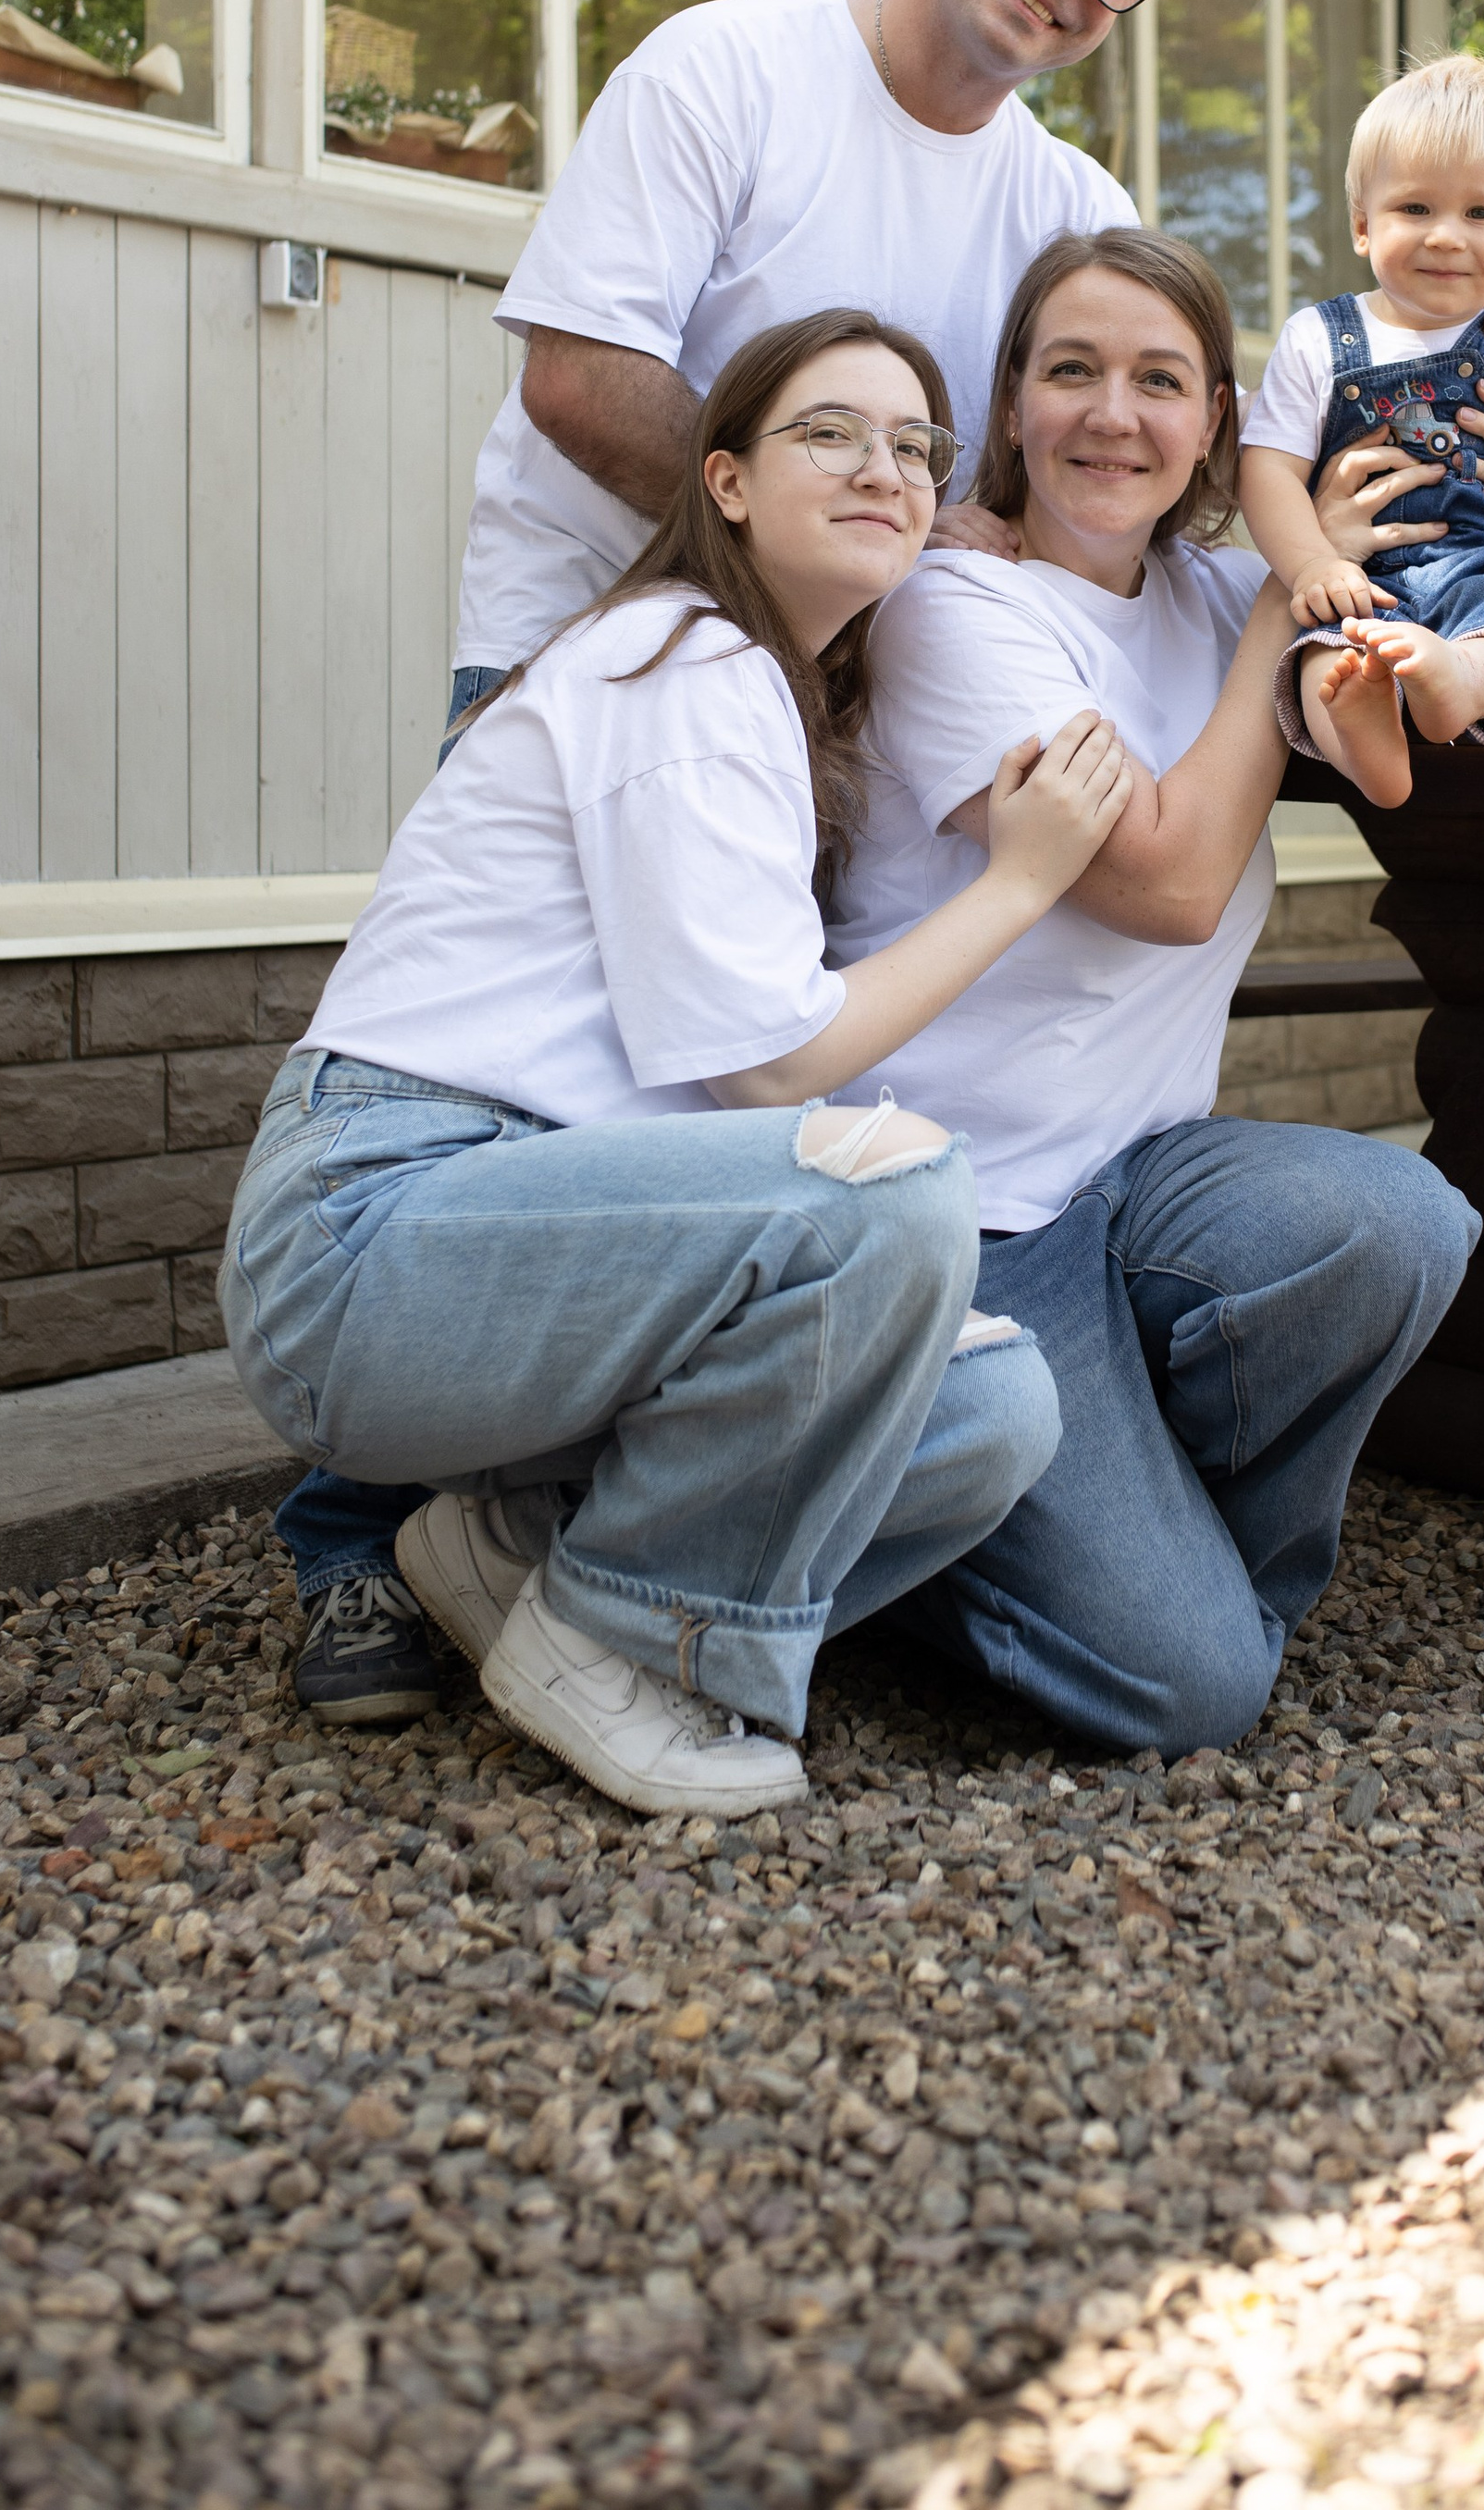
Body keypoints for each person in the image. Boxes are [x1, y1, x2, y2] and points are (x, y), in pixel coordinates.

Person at [280, 0, 1484, 1719]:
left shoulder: (1052, 200)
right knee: (557, 1100)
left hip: (841, 698)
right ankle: (374, 1541)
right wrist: (847, 557)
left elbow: (1178, 399)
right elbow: (576, 375)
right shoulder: (733, 69)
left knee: (746, 1107)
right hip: (614, 647)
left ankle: (852, 1499)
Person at [218, 313, 1136, 1813]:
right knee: (896, 1188)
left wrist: (901, 1317)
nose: (885, 469)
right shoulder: (679, 661)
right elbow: (778, 1077)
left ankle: (521, 1560)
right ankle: (605, 1648)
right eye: (829, 433)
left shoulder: (765, 696)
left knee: (995, 1411)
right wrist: (1022, 883)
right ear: (722, 482)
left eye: (914, 447)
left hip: (545, 1240)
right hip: (375, 1229)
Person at [825, 228, 1480, 1755]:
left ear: (1216, 425)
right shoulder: (951, 611)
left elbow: (1404, 722)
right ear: (1010, 406)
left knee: (1406, 1222)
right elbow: (1171, 885)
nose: (1112, 415)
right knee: (1190, 1692)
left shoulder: (1206, 590)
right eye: (1072, 372)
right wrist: (1282, 608)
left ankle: (1132, 1557)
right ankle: (896, 1546)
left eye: (1158, 382)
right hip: (956, 1211)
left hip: (1134, 1185)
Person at [1239, 55, 1484, 804]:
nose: (1446, 237)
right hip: (1364, 580)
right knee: (1317, 655)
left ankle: (1458, 681)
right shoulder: (1318, 340)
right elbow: (1265, 469)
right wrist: (1310, 568)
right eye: (1416, 209)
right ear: (1364, 224)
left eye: (1481, 214)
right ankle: (1370, 753)